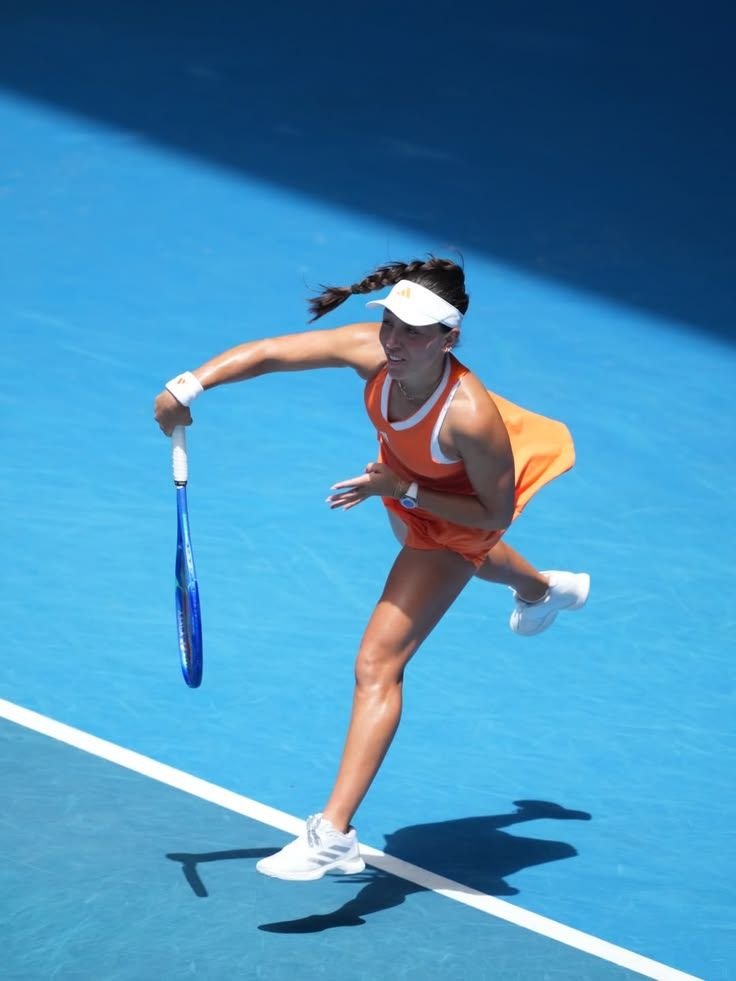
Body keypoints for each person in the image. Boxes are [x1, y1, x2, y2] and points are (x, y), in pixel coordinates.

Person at [153, 256, 590, 882]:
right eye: (390, 323)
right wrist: (187, 387)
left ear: (449, 339)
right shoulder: (374, 352)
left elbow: (493, 516)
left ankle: (333, 834)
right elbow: (272, 353)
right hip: (403, 483)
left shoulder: (469, 418)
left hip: (454, 507)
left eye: (414, 332)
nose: (394, 341)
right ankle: (542, 589)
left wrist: (405, 489)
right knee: (429, 549)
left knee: (378, 663)